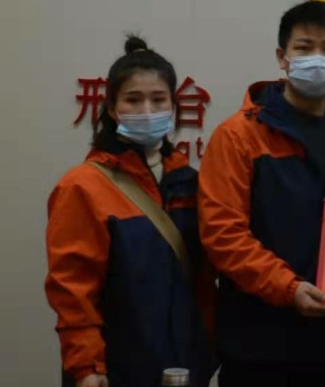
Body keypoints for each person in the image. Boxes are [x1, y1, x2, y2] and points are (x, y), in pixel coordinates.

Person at [198, 0, 325, 387]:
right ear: (282, 57)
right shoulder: (239, 135)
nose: (317, 59)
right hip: (258, 343)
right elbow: (222, 234)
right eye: (304, 48)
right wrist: (287, 289)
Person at [45, 36, 216, 387]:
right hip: (113, 367)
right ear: (112, 108)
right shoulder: (83, 187)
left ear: (173, 107)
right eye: (133, 100)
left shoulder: (191, 184)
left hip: (183, 365)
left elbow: (206, 278)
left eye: (158, 100)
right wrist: (88, 366)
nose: (147, 110)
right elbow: (74, 288)